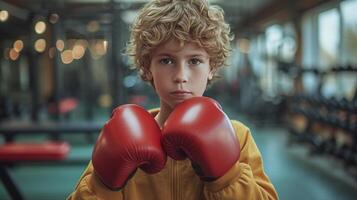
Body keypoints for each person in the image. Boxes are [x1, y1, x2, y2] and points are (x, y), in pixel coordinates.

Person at [68, 0, 278, 199]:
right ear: (147, 67)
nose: (181, 76)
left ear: (212, 67)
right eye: (166, 60)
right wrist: (104, 184)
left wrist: (226, 176)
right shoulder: (122, 135)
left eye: (194, 60)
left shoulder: (237, 136)